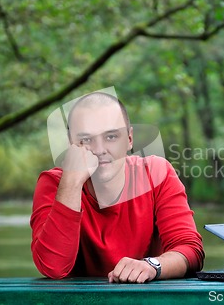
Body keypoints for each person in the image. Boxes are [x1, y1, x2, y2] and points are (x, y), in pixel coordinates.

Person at [30, 92, 204, 283]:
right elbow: (52, 268)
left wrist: (152, 265)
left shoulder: (156, 174)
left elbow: (191, 250)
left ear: (129, 139)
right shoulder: (54, 183)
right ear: (70, 143)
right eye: (86, 139)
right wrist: (71, 183)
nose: (99, 149)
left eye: (111, 136)